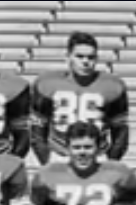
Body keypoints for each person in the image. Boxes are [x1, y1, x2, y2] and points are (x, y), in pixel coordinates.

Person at [31, 31, 129, 165]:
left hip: (97, 155)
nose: (85, 62)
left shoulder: (112, 86)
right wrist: (46, 159)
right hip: (60, 155)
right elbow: (37, 130)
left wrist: (111, 162)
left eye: (90, 57)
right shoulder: (47, 83)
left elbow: (120, 133)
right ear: (68, 57)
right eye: (80, 56)